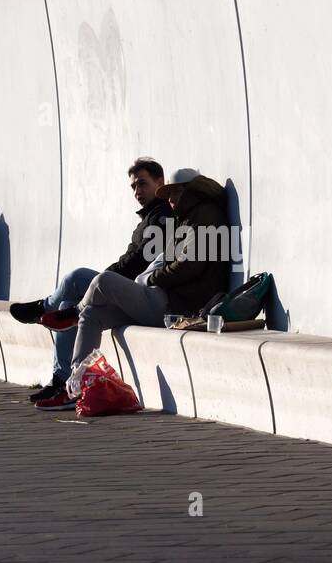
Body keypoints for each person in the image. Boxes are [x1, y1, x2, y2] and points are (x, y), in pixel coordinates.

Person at [38, 168, 231, 406]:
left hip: (179, 307)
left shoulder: (205, 216)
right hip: (165, 299)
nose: (169, 200)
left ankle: (72, 313)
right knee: (92, 314)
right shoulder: (187, 217)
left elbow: (190, 265)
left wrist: (151, 279)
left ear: (190, 191)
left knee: (104, 280)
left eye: (174, 193)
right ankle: (78, 384)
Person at [8, 158, 173, 409]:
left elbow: (137, 263)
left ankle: (44, 308)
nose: (138, 191)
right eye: (133, 187)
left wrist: (103, 279)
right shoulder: (148, 218)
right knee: (70, 301)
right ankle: (63, 381)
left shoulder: (162, 218)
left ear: (160, 182)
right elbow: (129, 259)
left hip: (134, 290)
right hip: (127, 287)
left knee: (76, 277)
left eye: (143, 184)